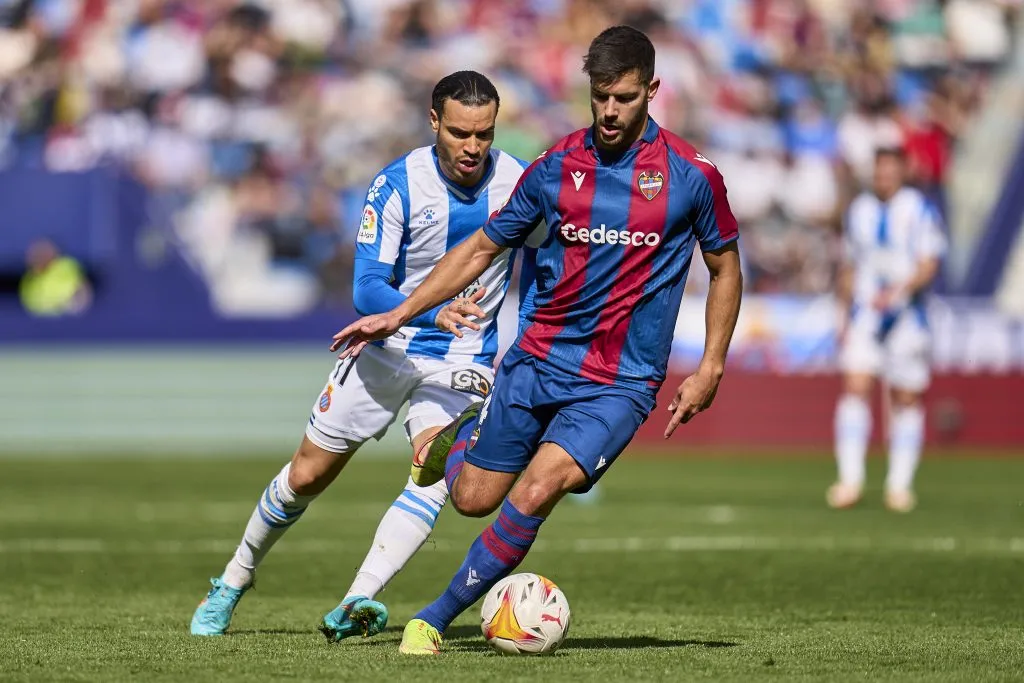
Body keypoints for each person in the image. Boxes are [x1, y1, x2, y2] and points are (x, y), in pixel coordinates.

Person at [330, 26, 744, 656]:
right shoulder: (555, 169)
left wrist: (711, 365)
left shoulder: (692, 177)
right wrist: (404, 311)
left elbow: (724, 266)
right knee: (471, 499)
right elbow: (481, 248)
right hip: (536, 361)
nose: (609, 111)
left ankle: (433, 619)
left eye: (625, 97)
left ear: (653, 91)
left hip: (620, 380)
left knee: (539, 489)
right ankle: (461, 437)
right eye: (600, 96)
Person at [190, 71, 534, 638]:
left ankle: (358, 598)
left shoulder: (518, 184)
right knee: (306, 476)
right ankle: (234, 577)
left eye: (484, 134)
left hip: (464, 357)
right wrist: (430, 309)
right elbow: (367, 288)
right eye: (459, 133)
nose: (473, 147)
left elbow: (549, 256)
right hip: (387, 347)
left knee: (434, 471)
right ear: (433, 123)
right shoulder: (396, 184)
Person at [828, 147, 946, 513]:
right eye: (879, 172)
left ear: (902, 173)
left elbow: (929, 264)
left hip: (907, 317)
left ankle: (899, 485)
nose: (884, 178)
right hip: (866, 313)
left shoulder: (919, 209)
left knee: (905, 398)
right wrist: (844, 315)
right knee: (856, 386)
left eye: (890, 171)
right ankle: (850, 480)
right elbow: (849, 266)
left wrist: (898, 293)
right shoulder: (859, 210)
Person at [19, 239, 92, 316]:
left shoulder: (67, 266)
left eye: (43, 253)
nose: (38, 257)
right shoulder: (28, 283)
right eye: (36, 255)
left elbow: (83, 293)